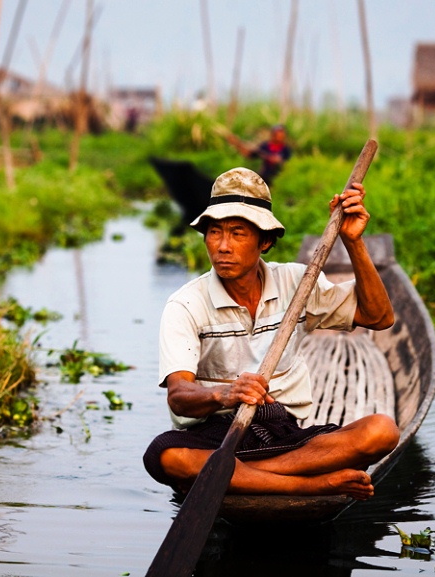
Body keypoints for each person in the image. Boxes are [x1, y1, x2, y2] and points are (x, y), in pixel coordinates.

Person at [142, 167, 399, 500]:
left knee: (381, 431)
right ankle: (313, 484)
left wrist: (354, 242)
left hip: (286, 431)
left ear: (265, 241)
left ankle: (239, 477)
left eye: (237, 233)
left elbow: (378, 317)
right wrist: (226, 394)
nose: (222, 246)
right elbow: (178, 395)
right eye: (215, 232)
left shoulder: (296, 282)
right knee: (166, 456)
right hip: (217, 435)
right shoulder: (186, 304)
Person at [226, 125, 293, 184]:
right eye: (278, 134)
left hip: (279, 179)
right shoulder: (265, 146)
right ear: (273, 135)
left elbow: (288, 164)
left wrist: (278, 161)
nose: (280, 136)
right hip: (264, 178)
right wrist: (237, 144)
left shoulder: (286, 149)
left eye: (282, 134)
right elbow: (250, 154)